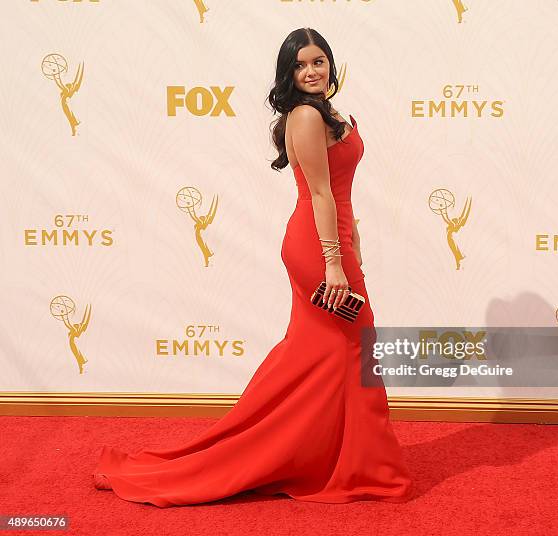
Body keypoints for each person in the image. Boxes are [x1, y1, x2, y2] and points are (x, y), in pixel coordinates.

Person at [92, 27, 413, 507]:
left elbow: (341, 189)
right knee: (350, 352)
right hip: (317, 251)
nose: (311, 71)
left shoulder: (329, 113)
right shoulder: (305, 117)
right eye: (301, 64)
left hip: (333, 242)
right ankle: (352, 466)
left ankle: (336, 460)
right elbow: (320, 192)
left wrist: (354, 241)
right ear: (288, 73)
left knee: (326, 360)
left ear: (331, 63)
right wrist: (334, 263)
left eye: (319, 60)